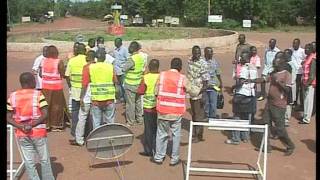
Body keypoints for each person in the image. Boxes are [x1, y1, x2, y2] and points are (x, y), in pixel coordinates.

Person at [7, 72, 55, 180]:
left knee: (28, 161)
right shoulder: (38, 95)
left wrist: (20, 126)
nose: (35, 82)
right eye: (34, 80)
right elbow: (45, 114)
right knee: (44, 159)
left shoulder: (13, 96)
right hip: (38, 132)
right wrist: (31, 125)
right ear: (30, 82)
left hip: (21, 133)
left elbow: (8, 117)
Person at [151, 58, 188, 166]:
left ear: (170, 65)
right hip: (176, 112)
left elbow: (155, 92)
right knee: (176, 135)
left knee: (161, 134)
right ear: (180, 67)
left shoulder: (162, 75)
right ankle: (174, 158)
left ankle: (159, 157)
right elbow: (192, 90)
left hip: (163, 110)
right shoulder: (182, 78)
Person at [257, 56, 295, 156]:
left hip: (279, 106)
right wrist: (251, 81)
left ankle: (290, 145)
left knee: (280, 129)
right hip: (269, 103)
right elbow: (264, 79)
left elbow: (287, 90)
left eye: (276, 63)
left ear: (282, 63)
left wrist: (278, 82)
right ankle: (267, 146)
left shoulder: (287, 74)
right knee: (265, 124)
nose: (274, 64)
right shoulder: (273, 73)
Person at [225, 51, 258, 145]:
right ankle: (245, 137)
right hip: (250, 95)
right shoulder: (254, 68)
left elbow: (241, 82)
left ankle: (236, 138)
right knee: (246, 118)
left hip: (241, 95)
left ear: (245, 58)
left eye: (241, 57)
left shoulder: (244, 68)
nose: (240, 59)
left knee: (237, 117)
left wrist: (233, 88)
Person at [85, 48, 117, 129]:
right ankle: (110, 137)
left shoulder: (91, 67)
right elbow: (115, 81)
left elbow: (86, 82)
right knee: (110, 121)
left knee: (96, 122)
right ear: (105, 58)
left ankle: (97, 139)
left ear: (96, 57)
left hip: (96, 99)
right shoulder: (110, 66)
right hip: (109, 98)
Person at [70, 50, 95, 146]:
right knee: (96, 118)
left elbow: (84, 84)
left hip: (88, 96)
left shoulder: (87, 67)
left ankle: (79, 139)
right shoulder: (99, 66)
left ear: (87, 58)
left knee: (82, 117)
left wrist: (81, 97)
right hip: (98, 96)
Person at [40, 45, 67, 131]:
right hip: (56, 87)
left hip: (45, 86)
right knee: (57, 106)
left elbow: (41, 74)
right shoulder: (59, 61)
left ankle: (46, 124)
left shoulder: (43, 61)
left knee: (46, 105)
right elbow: (63, 74)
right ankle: (56, 125)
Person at [187, 45, 210, 143]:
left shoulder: (203, 63)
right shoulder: (190, 61)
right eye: (195, 53)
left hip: (199, 92)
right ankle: (195, 132)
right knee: (194, 113)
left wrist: (203, 94)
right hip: (192, 91)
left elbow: (206, 81)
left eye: (199, 53)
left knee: (199, 115)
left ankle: (199, 135)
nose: (197, 54)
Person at [65, 43, 87, 139]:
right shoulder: (89, 60)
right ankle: (85, 132)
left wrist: (70, 85)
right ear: (85, 51)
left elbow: (67, 75)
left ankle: (74, 132)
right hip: (86, 91)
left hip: (75, 90)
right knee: (86, 113)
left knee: (75, 113)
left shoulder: (72, 61)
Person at [139, 59, 160, 157]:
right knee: (158, 129)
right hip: (159, 107)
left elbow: (141, 91)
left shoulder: (145, 77)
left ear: (149, 67)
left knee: (148, 129)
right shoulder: (161, 77)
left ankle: (148, 150)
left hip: (148, 107)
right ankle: (158, 149)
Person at [123, 41, 145, 126]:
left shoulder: (131, 59)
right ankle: (139, 119)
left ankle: (131, 121)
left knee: (130, 104)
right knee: (138, 102)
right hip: (138, 83)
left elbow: (124, 69)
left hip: (130, 84)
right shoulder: (141, 57)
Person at [203, 47, 223, 119]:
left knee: (213, 103)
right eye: (209, 52)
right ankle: (206, 116)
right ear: (205, 53)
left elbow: (218, 73)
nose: (211, 53)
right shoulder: (202, 62)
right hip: (204, 86)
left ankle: (212, 117)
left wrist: (220, 83)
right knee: (206, 103)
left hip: (214, 86)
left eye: (211, 52)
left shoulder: (214, 62)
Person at [300, 43, 316, 124]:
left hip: (309, 83)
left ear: (311, 50)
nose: (305, 50)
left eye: (307, 49)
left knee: (309, 101)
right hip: (305, 81)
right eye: (305, 48)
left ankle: (306, 119)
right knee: (306, 100)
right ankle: (305, 116)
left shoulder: (313, 59)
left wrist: (308, 83)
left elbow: (312, 74)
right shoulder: (307, 57)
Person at [290, 38, 306, 109]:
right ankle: (294, 102)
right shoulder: (291, 50)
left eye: (295, 43)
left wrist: (303, 63)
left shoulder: (302, 51)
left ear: (299, 44)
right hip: (293, 72)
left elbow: (306, 58)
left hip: (300, 72)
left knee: (300, 88)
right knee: (294, 87)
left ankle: (302, 104)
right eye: (293, 43)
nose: (294, 45)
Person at [113, 38, 129, 103]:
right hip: (116, 70)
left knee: (123, 85)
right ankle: (121, 97)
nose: (115, 44)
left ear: (120, 43)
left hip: (122, 71)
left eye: (116, 42)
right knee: (118, 84)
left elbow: (128, 59)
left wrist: (125, 68)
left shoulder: (125, 50)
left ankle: (126, 98)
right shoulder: (115, 50)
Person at [284, 49, 297, 126]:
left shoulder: (292, 64)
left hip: (290, 85)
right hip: (286, 85)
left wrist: (288, 85)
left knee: (288, 103)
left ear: (290, 55)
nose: (284, 55)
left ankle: (286, 119)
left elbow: (293, 77)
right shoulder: (286, 63)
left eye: (286, 54)